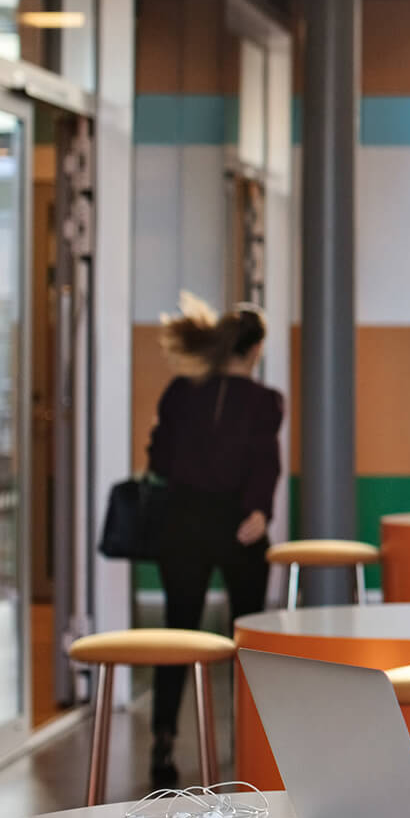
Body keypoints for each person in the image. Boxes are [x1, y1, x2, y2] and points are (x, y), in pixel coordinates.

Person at [146, 294, 282, 788]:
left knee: (176, 636)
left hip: (181, 523)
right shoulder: (265, 402)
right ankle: (244, 745)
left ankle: (162, 741)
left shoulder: (180, 393)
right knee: (246, 639)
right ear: (257, 349)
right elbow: (265, 462)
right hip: (239, 525)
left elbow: (158, 458)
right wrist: (259, 511)